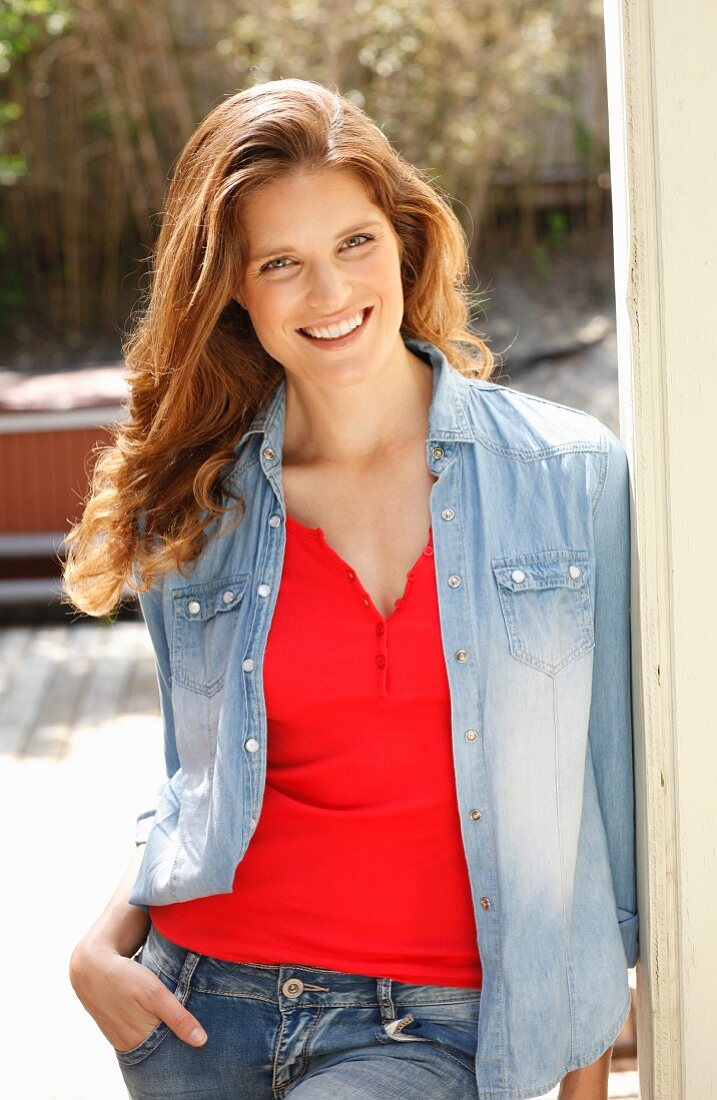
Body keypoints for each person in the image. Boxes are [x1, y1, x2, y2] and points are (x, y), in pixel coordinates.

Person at [64, 78, 638, 1100]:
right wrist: (98, 949)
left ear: (405, 239)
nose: (328, 295)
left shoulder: (565, 476)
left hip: (430, 1024)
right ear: (232, 291)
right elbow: (194, 787)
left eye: (354, 243)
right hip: (198, 1011)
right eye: (280, 264)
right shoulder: (195, 505)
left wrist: (580, 1070)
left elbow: (589, 811)